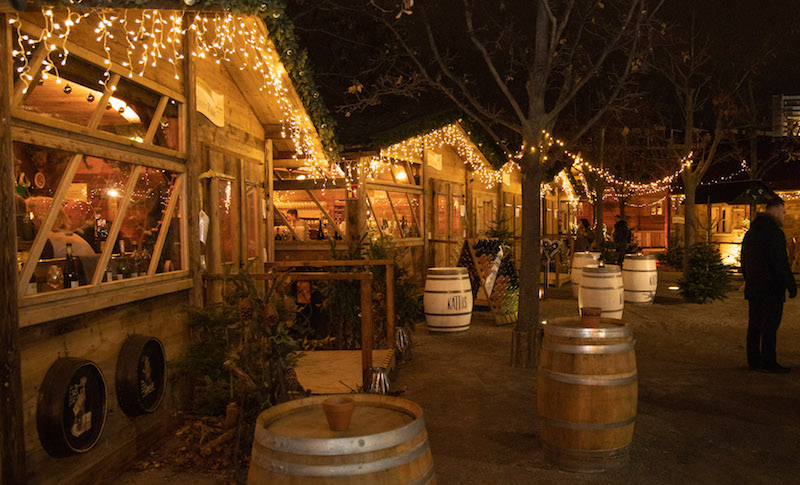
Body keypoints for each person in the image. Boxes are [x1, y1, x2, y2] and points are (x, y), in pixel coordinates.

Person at [741, 199, 797, 373]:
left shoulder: (751, 233)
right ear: (775, 211)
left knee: (755, 323)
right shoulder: (775, 233)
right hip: (771, 288)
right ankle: (768, 361)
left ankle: (754, 360)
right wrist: (790, 284)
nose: (784, 215)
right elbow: (780, 262)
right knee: (770, 325)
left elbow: (743, 259)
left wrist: (748, 279)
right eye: (783, 212)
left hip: (754, 286)